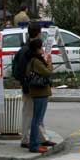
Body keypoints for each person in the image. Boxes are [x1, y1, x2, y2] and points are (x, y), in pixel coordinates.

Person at [17, 22, 54, 150]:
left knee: (35, 116)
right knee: (31, 115)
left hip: (31, 86)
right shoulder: (30, 50)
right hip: (32, 87)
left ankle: (40, 138)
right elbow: (27, 70)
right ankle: (27, 140)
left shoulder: (25, 48)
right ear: (39, 33)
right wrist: (25, 85)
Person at [25, 37, 53, 153]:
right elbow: (47, 72)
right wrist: (49, 62)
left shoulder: (33, 60)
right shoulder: (36, 61)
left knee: (37, 119)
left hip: (39, 92)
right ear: (37, 49)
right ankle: (34, 145)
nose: (42, 49)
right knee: (36, 120)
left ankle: (35, 143)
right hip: (40, 92)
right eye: (41, 47)